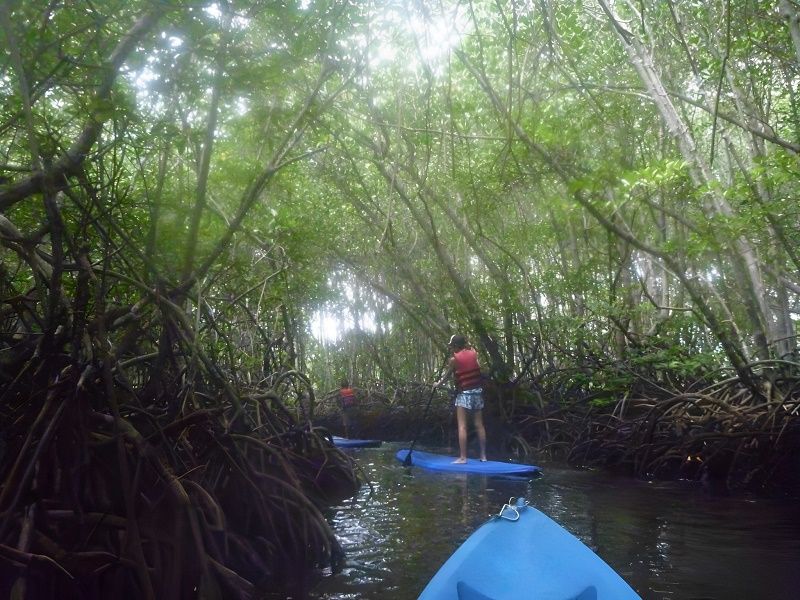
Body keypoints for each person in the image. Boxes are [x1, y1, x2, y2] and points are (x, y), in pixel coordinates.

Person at [435, 334, 487, 463]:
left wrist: (437, 385)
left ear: (456, 346)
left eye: (452, 346)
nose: (451, 348)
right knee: (479, 425)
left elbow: (447, 377)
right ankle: (483, 457)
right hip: (477, 393)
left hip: (464, 395)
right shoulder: (474, 353)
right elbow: (478, 367)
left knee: (462, 426)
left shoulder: (453, 360)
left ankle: (463, 458)